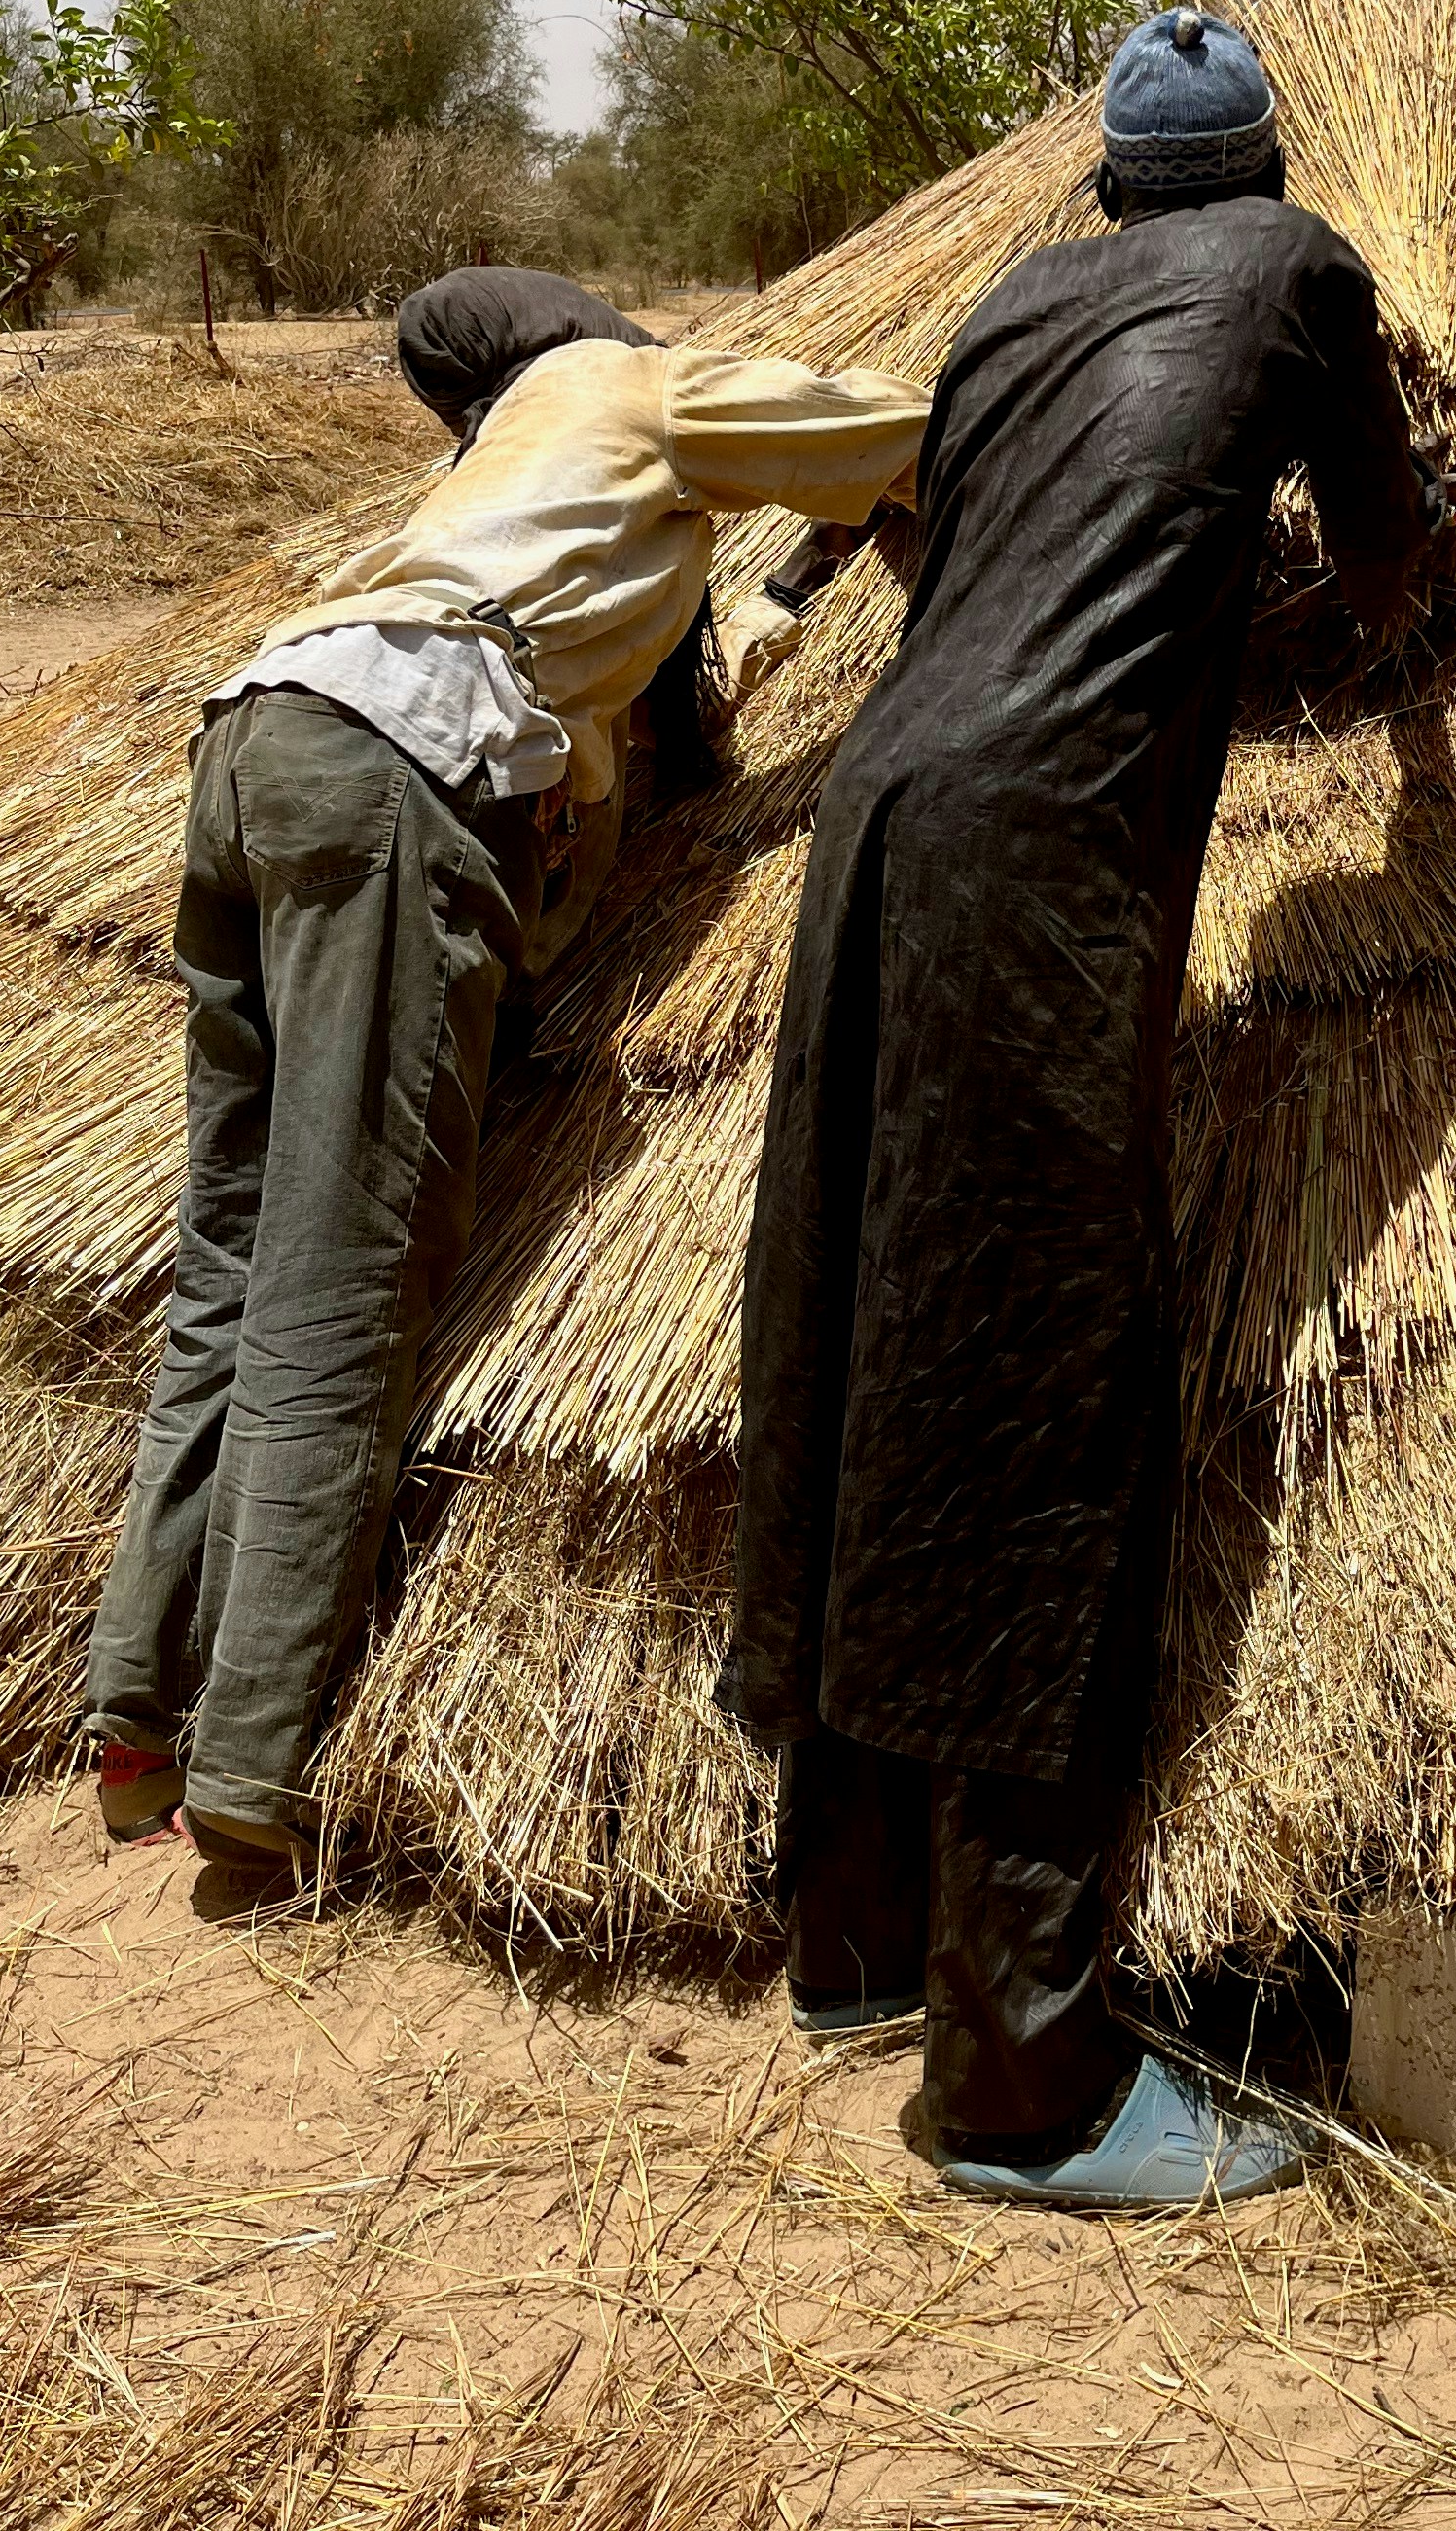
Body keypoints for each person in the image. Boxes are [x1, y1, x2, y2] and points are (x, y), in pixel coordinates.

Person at [731, 10, 1434, 2209]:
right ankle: (1018, 2082)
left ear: (1111, 185)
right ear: (1260, 167)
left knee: (859, 1332)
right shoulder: (1300, 270)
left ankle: (851, 1935)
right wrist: (1401, 672)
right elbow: (1397, 538)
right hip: (1043, 852)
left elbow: (956, 558)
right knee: (1038, 1404)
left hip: (883, 813)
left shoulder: (1009, 302)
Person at [87, 266, 929, 1887]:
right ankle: (251, 1761)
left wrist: (757, 614)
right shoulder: (629, 390)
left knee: (233, 1257)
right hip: (400, 775)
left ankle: (134, 1711)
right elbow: (907, 429)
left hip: (258, 740)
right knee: (351, 1266)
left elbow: (635, 716)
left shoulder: (488, 485)